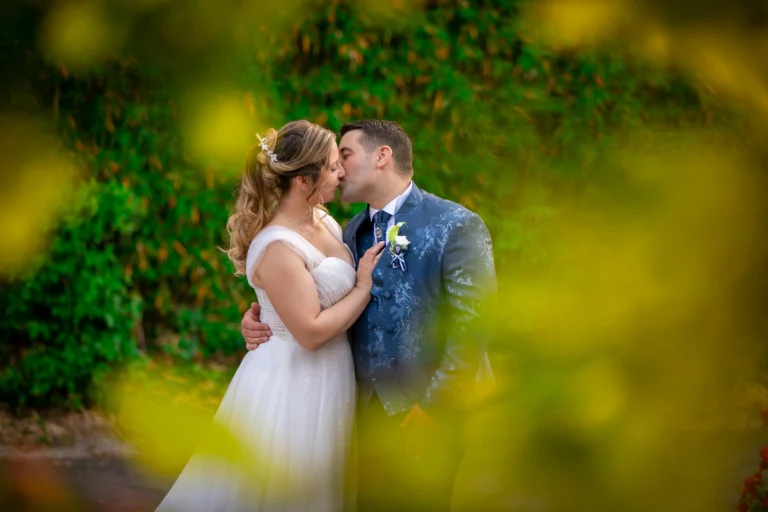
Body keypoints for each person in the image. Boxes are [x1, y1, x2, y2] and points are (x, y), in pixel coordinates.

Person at [242, 120, 497, 512]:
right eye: (334, 163)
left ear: (382, 157)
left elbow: (474, 324)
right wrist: (263, 316)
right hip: (355, 412)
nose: (339, 171)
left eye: (344, 156)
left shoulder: (456, 225)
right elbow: (311, 296)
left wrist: (434, 408)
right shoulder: (349, 231)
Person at [155, 120, 385, 512]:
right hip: (293, 382)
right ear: (302, 181)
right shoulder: (277, 245)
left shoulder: (323, 219)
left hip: (330, 376)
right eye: (332, 167)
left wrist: (260, 314)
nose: (341, 173)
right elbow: (310, 332)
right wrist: (363, 287)